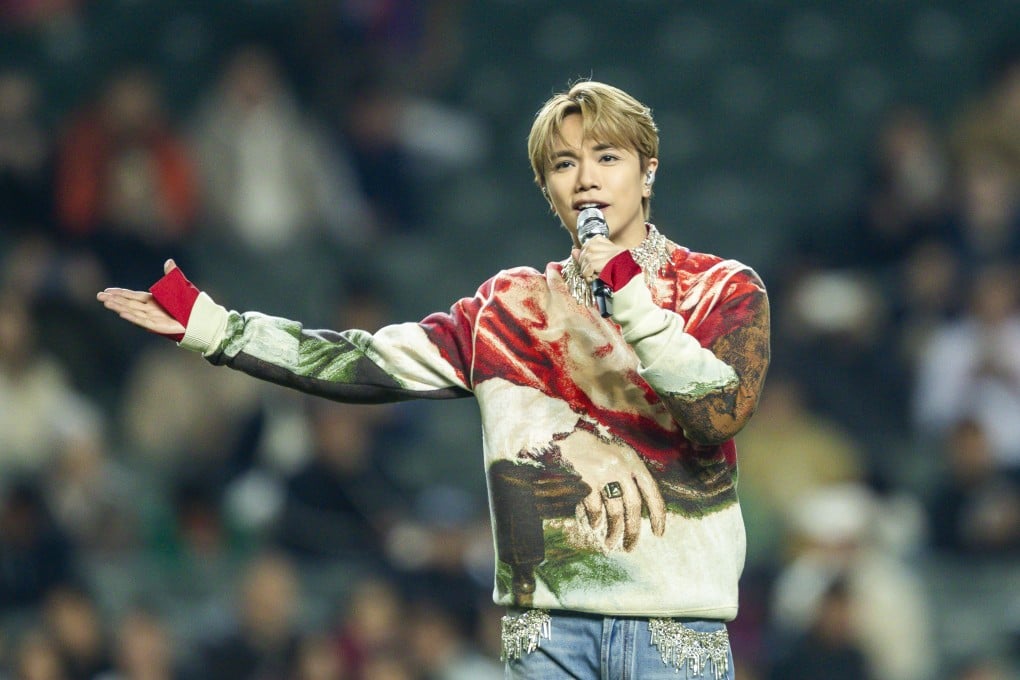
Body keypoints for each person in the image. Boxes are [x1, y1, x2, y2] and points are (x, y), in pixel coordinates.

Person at [97, 80, 771, 679]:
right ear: (548, 189)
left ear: (648, 173)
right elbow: (360, 361)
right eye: (565, 163)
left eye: (607, 157)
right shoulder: (507, 311)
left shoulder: (721, 289)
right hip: (549, 633)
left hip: (674, 629)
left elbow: (716, 413)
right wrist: (218, 329)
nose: (586, 178)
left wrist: (629, 295)